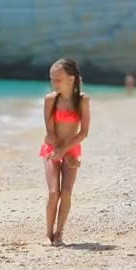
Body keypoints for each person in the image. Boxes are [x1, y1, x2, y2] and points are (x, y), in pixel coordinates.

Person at [40, 58, 91, 246]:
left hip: (71, 148)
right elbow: (50, 133)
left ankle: (59, 233)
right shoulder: (50, 100)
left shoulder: (82, 100)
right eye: (52, 79)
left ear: (72, 78)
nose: (54, 83)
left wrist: (68, 153)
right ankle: (48, 233)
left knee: (67, 192)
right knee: (54, 192)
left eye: (58, 79)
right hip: (51, 149)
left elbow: (84, 132)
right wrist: (60, 152)